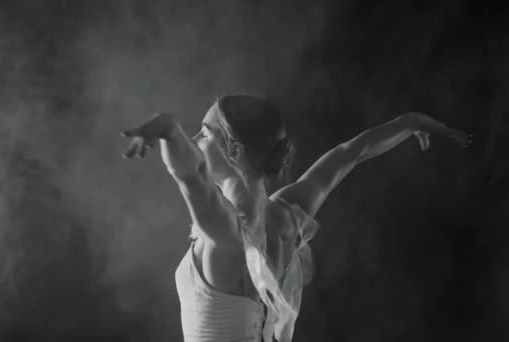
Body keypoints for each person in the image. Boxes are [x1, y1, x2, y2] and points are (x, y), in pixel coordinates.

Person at [120, 95, 471, 342]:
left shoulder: (226, 229)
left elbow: (190, 174)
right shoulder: (288, 216)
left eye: (205, 132)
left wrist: (165, 126)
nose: (197, 140)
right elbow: (352, 153)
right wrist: (411, 123)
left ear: (235, 151)